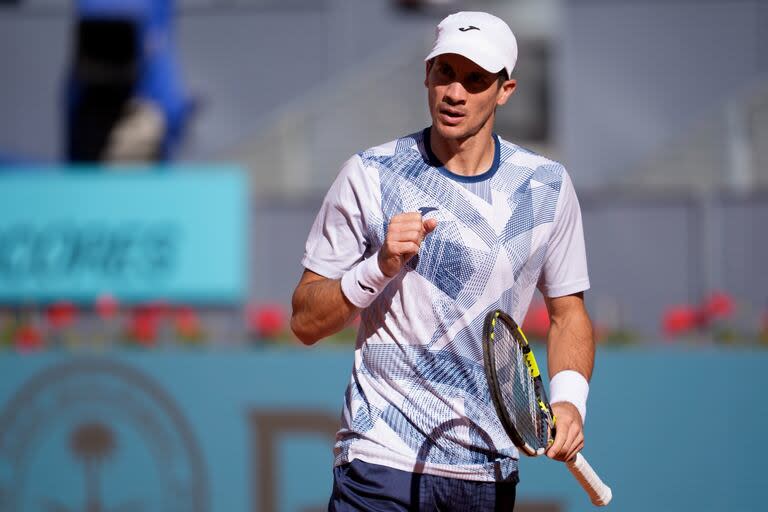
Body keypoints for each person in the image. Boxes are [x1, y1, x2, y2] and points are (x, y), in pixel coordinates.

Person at [291, 11, 595, 511]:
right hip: (380, 463)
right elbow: (305, 320)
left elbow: (569, 314)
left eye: (475, 80)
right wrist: (378, 267)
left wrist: (568, 401)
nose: (455, 92)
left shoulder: (547, 187)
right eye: (445, 73)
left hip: (487, 473)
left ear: (505, 90)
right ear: (427, 76)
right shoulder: (369, 175)